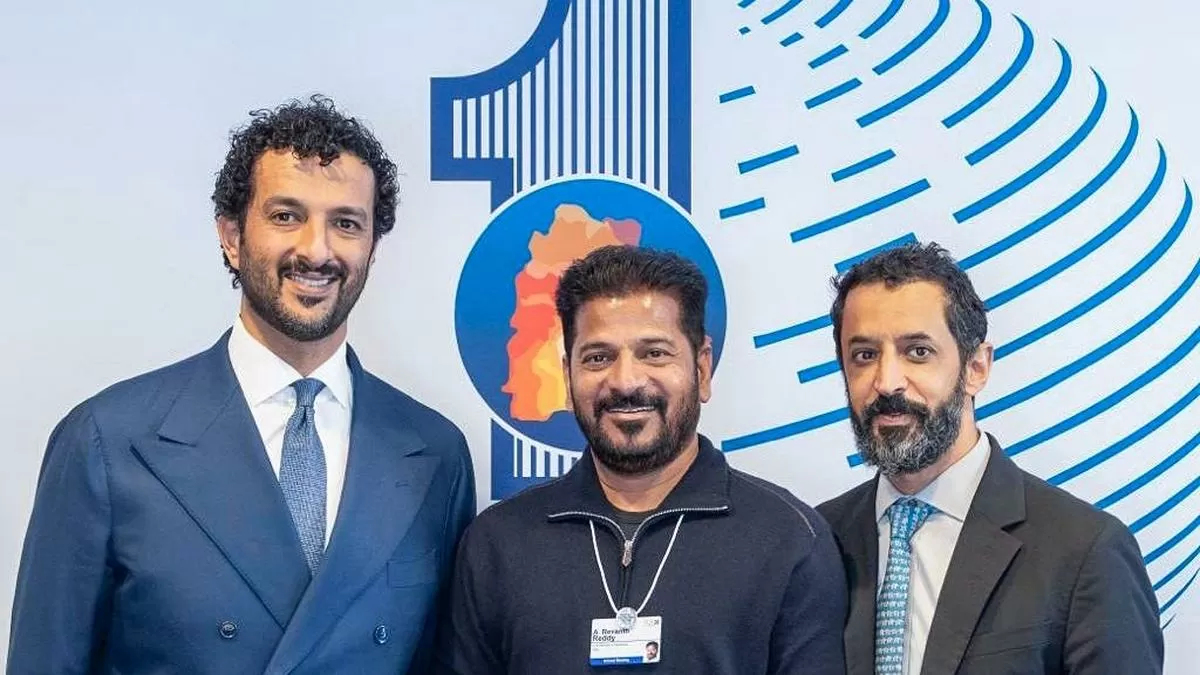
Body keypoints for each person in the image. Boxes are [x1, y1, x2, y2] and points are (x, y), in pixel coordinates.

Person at [8, 95, 476, 674]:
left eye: (346, 224)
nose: (317, 250)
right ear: (231, 235)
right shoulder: (108, 441)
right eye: (286, 216)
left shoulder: (434, 454)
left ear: (372, 249)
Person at [436, 245, 847, 674]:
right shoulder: (497, 544)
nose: (626, 381)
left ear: (701, 369)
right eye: (598, 357)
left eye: (654, 353)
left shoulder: (790, 540)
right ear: (568, 375)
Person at [816, 242, 1163, 675]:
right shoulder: (816, 541)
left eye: (918, 352)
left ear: (976, 368)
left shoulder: (1085, 551)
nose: (887, 382)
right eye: (865, 355)